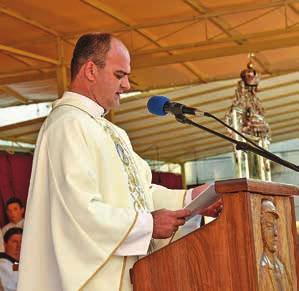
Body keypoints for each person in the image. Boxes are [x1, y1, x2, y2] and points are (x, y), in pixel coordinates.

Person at [18, 33, 222, 291]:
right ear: (91, 70)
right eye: (119, 75)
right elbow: (77, 213)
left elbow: (138, 193)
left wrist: (191, 199)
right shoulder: (67, 125)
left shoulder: (112, 131)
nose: (127, 85)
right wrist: (148, 224)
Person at [259, 199, 292, 290]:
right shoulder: (262, 269)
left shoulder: (282, 267)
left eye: (276, 226)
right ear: (260, 231)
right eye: (269, 227)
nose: (275, 233)